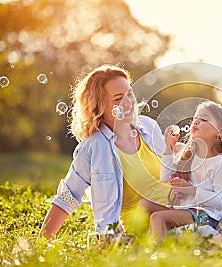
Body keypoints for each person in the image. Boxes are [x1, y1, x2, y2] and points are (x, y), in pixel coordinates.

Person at [39, 65, 167, 241]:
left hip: (174, 214)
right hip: (140, 233)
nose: (128, 102)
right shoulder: (94, 147)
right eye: (118, 99)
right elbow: (67, 197)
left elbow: (172, 171)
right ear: (99, 107)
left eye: (129, 94)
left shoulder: (148, 127)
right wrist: (41, 244)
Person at [135, 101, 222, 241]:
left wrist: (191, 190)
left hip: (205, 216)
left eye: (204, 119)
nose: (196, 122)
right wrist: (168, 148)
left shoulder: (221, 163)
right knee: (144, 205)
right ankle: (136, 242)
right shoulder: (190, 156)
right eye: (196, 118)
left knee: (158, 217)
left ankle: (157, 255)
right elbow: (165, 177)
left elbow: (220, 201)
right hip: (184, 210)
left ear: (219, 132)